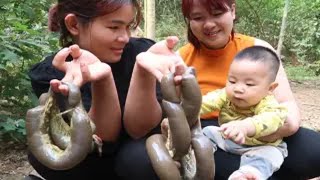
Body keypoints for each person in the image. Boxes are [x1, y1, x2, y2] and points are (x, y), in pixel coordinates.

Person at [25, 0, 183, 179]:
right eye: (114, 27)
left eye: (128, 26)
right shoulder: (52, 73)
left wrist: (143, 73)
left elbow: (139, 130)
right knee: (44, 158)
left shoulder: (144, 53)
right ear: (74, 24)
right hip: (91, 163)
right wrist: (104, 79)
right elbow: (103, 137)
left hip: (137, 155)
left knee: (140, 159)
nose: (124, 37)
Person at [177, 0, 320, 179]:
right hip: (218, 132)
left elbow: (286, 104)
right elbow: (186, 110)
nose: (209, 24)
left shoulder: (258, 49)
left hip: (266, 125)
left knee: (314, 151)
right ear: (189, 20)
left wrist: (281, 127)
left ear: (233, 11)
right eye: (198, 17)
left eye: (217, 14)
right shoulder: (180, 59)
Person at [201, 46, 288, 180]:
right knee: (208, 131)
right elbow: (207, 102)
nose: (238, 89)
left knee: (271, 156)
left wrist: (245, 126)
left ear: (269, 88)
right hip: (229, 140)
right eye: (232, 81)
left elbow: (271, 119)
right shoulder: (225, 95)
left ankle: (247, 175)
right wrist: (188, 108)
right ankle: (197, 156)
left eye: (249, 84)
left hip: (261, 146)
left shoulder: (268, 103)